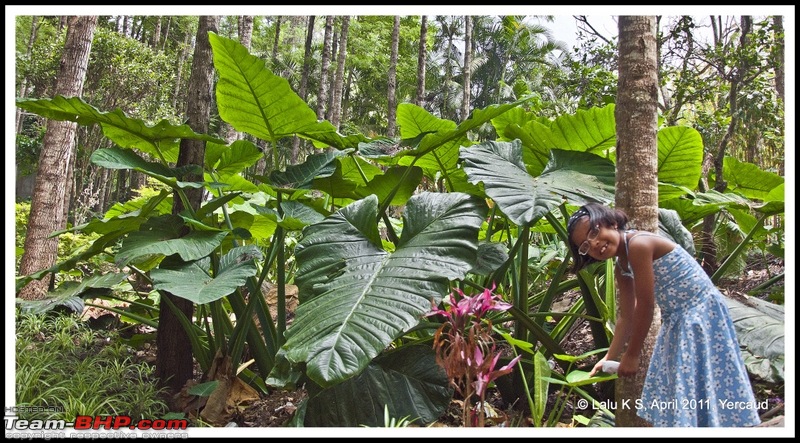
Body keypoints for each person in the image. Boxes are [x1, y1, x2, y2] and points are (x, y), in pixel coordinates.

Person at [566, 202, 761, 427]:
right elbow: (625, 318)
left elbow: (646, 305)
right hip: (677, 317)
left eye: (594, 231)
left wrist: (632, 355)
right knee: (678, 383)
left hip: (698, 311)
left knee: (698, 377)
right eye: (585, 246)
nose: (595, 243)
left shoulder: (639, 244)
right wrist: (609, 357)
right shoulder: (621, 266)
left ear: (611, 222)